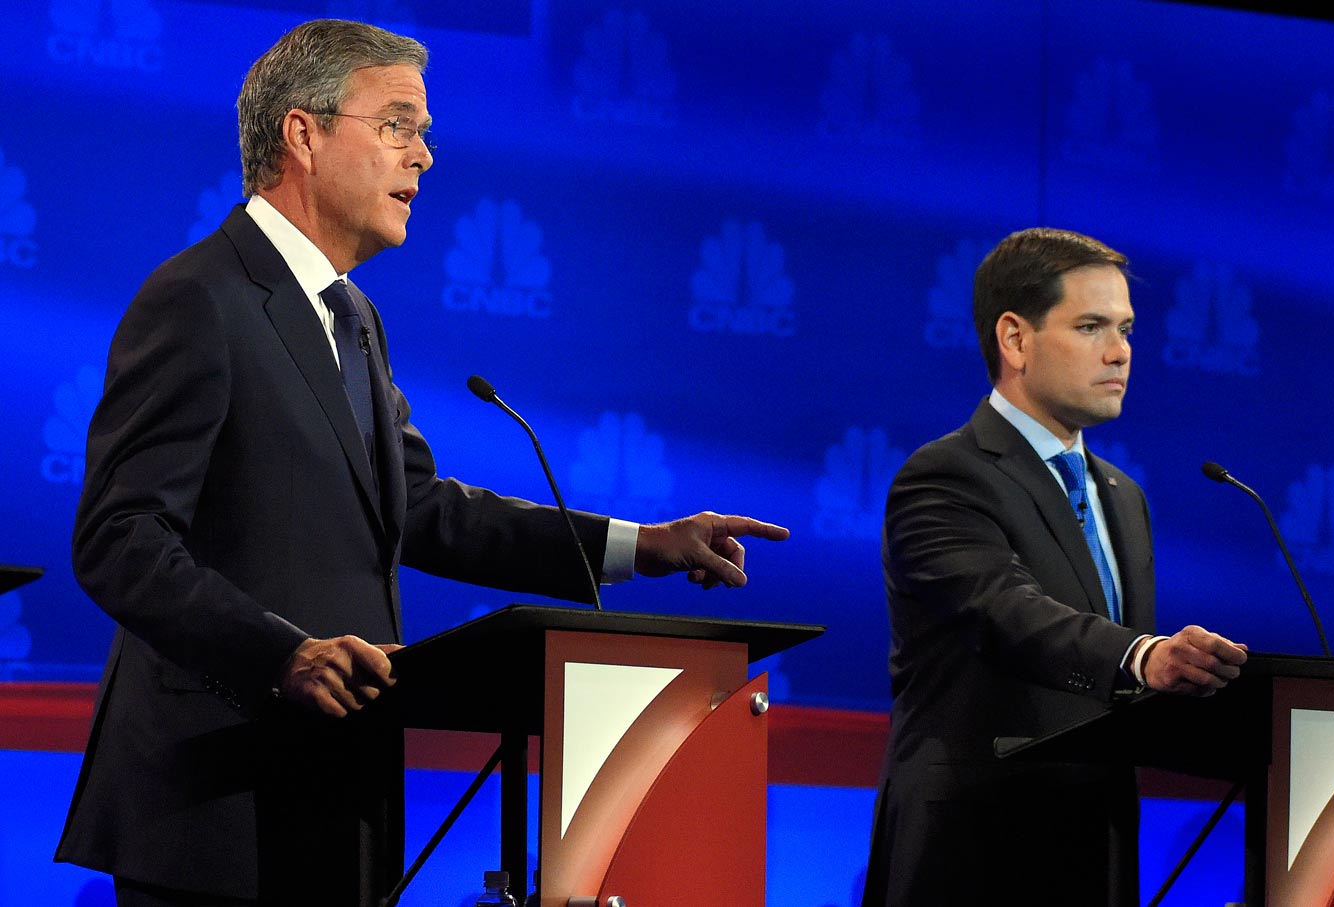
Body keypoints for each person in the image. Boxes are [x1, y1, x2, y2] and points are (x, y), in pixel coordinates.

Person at [54, 19, 788, 907]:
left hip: (335, 791)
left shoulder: (353, 318)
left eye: (424, 133)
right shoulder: (198, 299)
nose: (425, 158)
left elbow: (427, 509)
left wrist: (645, 546)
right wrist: (282, 653)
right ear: (304, 132)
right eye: (398, 125)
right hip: (217, 806)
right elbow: (118, 538)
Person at [861, 228, 1248, 905]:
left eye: (1127, 328)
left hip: (1094, 852)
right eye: (1092, 325)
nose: (1121, 350)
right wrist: (1145, 654)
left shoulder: (1124, 497)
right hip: (973, 857)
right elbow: (1007, 611)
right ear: (1015, 339)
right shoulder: (944, 477)